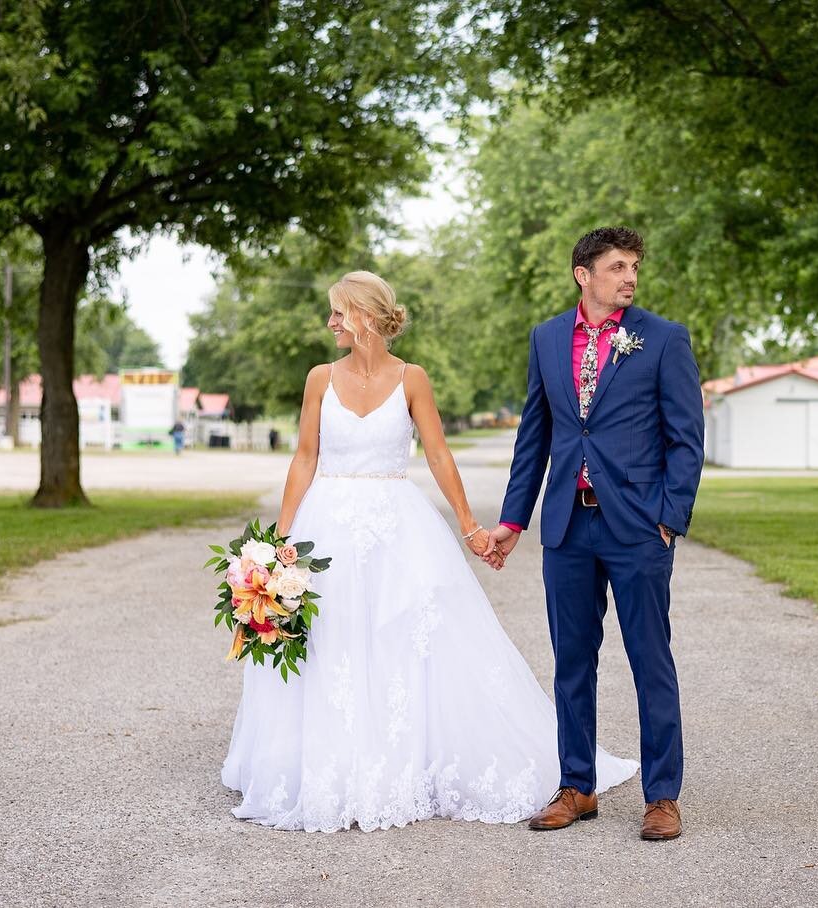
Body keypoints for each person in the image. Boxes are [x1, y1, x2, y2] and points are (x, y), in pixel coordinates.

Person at [221, 270, 636, 832]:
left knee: (406, 638)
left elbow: (438, 455)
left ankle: (408, 758)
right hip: (328, 526)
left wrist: (470, 528)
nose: (331, 322)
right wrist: (277, 544)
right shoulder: (319, 378)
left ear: (364, 315)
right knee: (333, 638)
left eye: (338, 313)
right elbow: (303, 458)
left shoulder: (412, 378)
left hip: (398, 522)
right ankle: (332, 759)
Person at [485, 227, 705, 841]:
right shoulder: (547, 338)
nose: (629, 277)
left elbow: (686, 438)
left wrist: (669, 516)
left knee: (649, 660)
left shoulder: (663, 339)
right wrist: (512, 520)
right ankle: (576, 786)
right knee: (571, 662)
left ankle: (662, 796)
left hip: (638, 527)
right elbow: (536, 436)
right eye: (616, 266)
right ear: (583, 273)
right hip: (568, 525)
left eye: (634, 267)